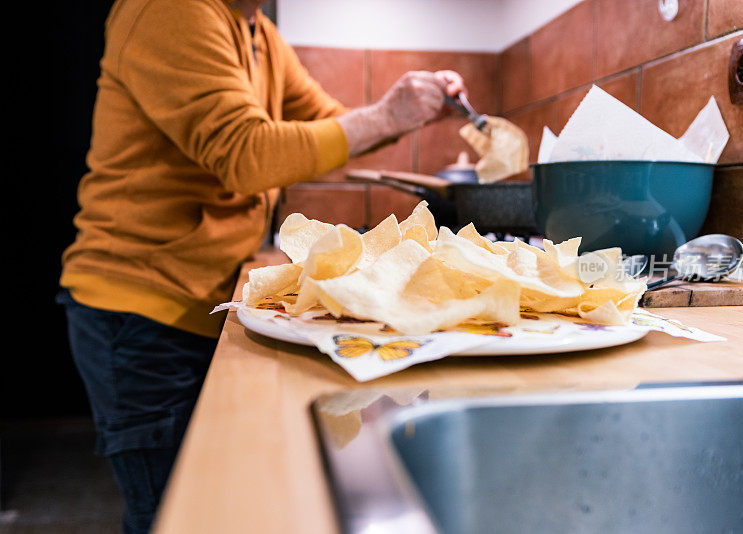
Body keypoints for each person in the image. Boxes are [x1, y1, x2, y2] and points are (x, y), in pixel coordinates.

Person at [57, 0, 467, 532]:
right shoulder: (169, 10)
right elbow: (245, 154)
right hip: (138, 308)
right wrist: (387, 116)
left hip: (201, 296)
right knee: (173, 514)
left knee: (213, 502)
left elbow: (328, 121)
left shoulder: (259, 32)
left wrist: (406, 110)